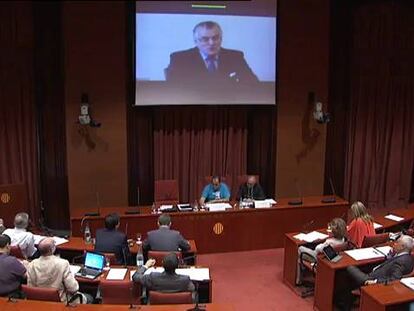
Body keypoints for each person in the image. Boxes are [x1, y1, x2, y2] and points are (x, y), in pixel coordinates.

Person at [165, 21, 259, 85]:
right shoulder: (180, 58)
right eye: (205, 39)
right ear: (195, 41)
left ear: (221, 38)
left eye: (215, 38)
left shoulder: (236, 57)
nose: (211, 43)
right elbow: (174, 87)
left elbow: (253, 83)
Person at [337, 235, 414, 310]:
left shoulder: (401, 262)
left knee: (348, 268)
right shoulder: (406, 256)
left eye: (397, 242)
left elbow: (394, 280)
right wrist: (390, 257)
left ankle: (344, 303)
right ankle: (346, 299)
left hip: (370, 280)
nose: (394, 243)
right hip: (376, 273)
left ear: (402, 247)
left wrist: (375, 282)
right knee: (356, 270)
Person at [27, 238, 91, 303]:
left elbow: (30, 287)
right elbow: (73, 289)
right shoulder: (63, 263)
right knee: (89, 297)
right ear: (52, 249)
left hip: (39, 301)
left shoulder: (32, 264)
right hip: (61, 302)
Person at [296, 218, 347, 284]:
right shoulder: (343, 240)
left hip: (318, 259)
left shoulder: (329, 242)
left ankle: (298, 280)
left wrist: (322, 243)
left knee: (300, 249)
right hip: (328, 259)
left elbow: (317, 249)